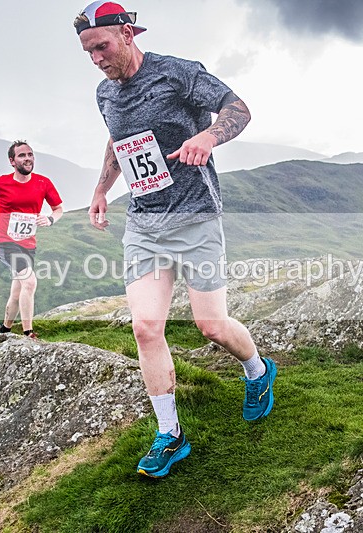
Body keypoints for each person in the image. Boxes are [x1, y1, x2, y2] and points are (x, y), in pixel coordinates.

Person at [74, 1, 277, 478]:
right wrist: (102, 189)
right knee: (146, 327)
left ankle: (257, 371)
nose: (97, 59)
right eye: (88, 52)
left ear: (127, 33)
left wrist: (207, 137)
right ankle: (170, 435)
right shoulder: (105, 93)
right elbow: (117, 141)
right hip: (144, 225)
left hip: (195, 219)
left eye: (102, 47)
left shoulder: (177, 74)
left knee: (212, 326)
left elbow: (238, 108)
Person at [0, 140, 63, 339]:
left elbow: (58, 209)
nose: (28, 158)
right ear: (12, 161)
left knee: (18, 290)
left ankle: (4, 329)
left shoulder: (43, 183)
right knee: (29, 282)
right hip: (6, 242)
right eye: (22, 155)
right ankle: (28, 333)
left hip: (29, 244)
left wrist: (50, 219)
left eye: (30, 154)